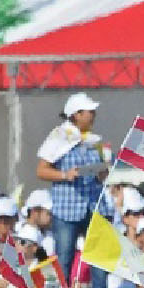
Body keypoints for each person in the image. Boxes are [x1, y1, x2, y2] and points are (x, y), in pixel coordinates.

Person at [35, 93, 110, 277]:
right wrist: (64, 175)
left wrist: (102, 171)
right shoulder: (58, 137)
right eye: (89, 112)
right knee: (65, 260)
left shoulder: (94, 141)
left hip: (93, 207)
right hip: (66, 211)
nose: (93, 115)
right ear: (76, 114)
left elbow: (102, 175)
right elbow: (41, 170)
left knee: (99, 262)